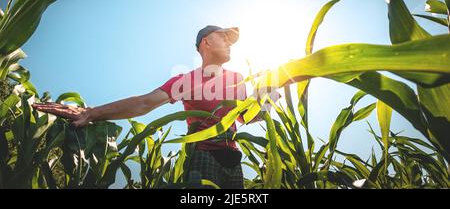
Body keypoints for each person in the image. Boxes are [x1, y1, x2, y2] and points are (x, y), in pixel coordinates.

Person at [32, 25, 275, 189]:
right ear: (206, 42)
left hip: (234, 162)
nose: (229, 43)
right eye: (224, 37)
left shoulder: (237, 78)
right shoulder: (187, 80)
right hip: (203, 157)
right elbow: (143, 103)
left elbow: (247, 117)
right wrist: (90, 113)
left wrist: (268, 99)